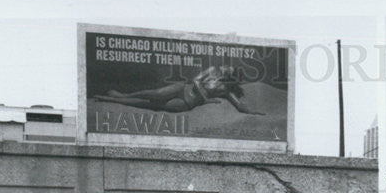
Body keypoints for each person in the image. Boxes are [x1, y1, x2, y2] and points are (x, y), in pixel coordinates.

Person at [95, 65, 264, 115]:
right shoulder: (212, 70)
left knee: (153, 106)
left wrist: (255, 112)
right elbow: (196, 81)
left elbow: (240, 106)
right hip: (182, 90)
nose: (225, 68)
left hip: (187, 103)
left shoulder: (226, 91)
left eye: (229, 71)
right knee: (155, 95)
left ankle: (111, 100)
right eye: (227, 68)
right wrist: (207, 99)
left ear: (231, 78)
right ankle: (121, 95)